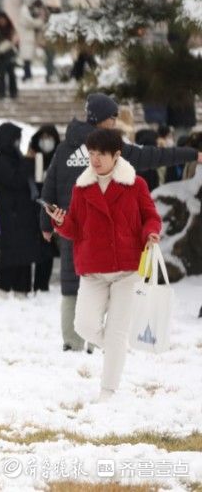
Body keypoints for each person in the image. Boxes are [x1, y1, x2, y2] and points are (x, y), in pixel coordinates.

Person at [39, 93, 202, 352]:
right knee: (100, 281)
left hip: (72, 228)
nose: (115, 122)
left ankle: (73, 342)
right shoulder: (112, 148)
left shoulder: (64, 148)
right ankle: (96, 342)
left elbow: (49, 189)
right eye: (112, 117)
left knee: (76, 282)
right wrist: (192, 153)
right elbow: (153, 157)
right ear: (101, 118)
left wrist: (47, 225)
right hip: (91, 227)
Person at [45, 129, 161, 403]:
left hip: (127, 270)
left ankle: (108, 391)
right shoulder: (81, 187)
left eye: (101, 154)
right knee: (84, 326)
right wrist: (60, 221)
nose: (95, 160)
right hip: (94, 269)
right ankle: (116, 348)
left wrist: (151, 233)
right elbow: (75, 229)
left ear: (117, 155)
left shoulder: (136, 185)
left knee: (117, 331)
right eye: (92, 154)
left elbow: (151, 217)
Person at [0, 123, 41, 294]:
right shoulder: (1, 161)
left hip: (22, 215)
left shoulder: (15, 157)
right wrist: (28, 161)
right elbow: (16, 181)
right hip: (10, 215)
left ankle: (22, 288)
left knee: (24, 255)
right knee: (11, 255)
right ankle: (1, 287)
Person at [27, 125, 62, 292]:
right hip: (31, 209)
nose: (46, 142)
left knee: (47, 248)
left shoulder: (59, 158)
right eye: (44, 137)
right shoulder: (31, 157)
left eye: (50, 137)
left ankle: (42, 284)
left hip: (51, 208)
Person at [0, 12, 19, 99]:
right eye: (0, 20)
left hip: (10, 54)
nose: (2, 22)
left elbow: (16, 41)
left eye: (3, 20)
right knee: (1, 75)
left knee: (11, 74)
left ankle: (13, 92)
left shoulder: (11, 29)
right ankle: (1, 92)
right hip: (0, 56)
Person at [19, 0, 46, 82]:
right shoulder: (24, 11)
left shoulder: (30, 11)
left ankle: (27, 75)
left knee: (28, 58)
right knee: (26, 58)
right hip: (26, 38)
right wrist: (40, 21)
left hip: (30, 38)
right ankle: (27, 75)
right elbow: (29, 22)